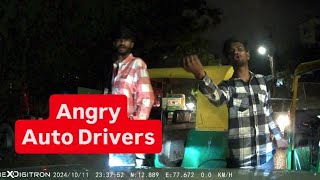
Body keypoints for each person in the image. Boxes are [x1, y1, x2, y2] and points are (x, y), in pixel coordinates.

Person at [182, 38, 288, 170]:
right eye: (231, 52)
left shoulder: (261, 81)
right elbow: (217, 98)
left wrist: (278, 136)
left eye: (239, 49)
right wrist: (200, 75)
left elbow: (268, 113)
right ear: (229, 59)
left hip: (266, 157)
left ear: (247, 54)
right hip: (240, 162)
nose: (236, 53)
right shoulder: (228, 86)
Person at [106, 26, 154, 167]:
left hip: (126, 132)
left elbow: (147, 98)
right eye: (119, 39)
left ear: (131, 44)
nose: (122, 42)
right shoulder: (114, 68)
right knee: (114, 171)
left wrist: (134, 124)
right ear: (115, 43)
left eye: (126, 40)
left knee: (123, 171)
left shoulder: (136, 64)